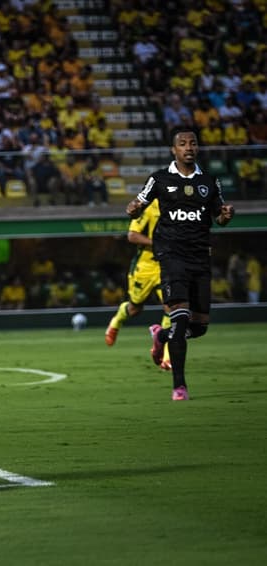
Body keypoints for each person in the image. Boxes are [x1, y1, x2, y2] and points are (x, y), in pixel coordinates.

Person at [126, 125, 235, 401]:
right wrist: (133, 208)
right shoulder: (159, 179)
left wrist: (226, 216)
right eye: (183, 144)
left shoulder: (210, 181)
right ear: (174, 150)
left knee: (198, 327)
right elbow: (138, 202)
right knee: (181, 316)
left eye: (193, 143)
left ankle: (161, 336)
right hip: (171, 255)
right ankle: (179, 386)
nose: (189, 148)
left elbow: (219, 218)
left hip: (200, 256)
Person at [104, 199, 172, 370]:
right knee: (135, 309)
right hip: (145, 268)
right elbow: (132, 235)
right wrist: (157, 244)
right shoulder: (148, 207)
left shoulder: (179, 208)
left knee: (172, 308)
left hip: (167, 267)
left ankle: (167, 356)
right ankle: (116, 322)